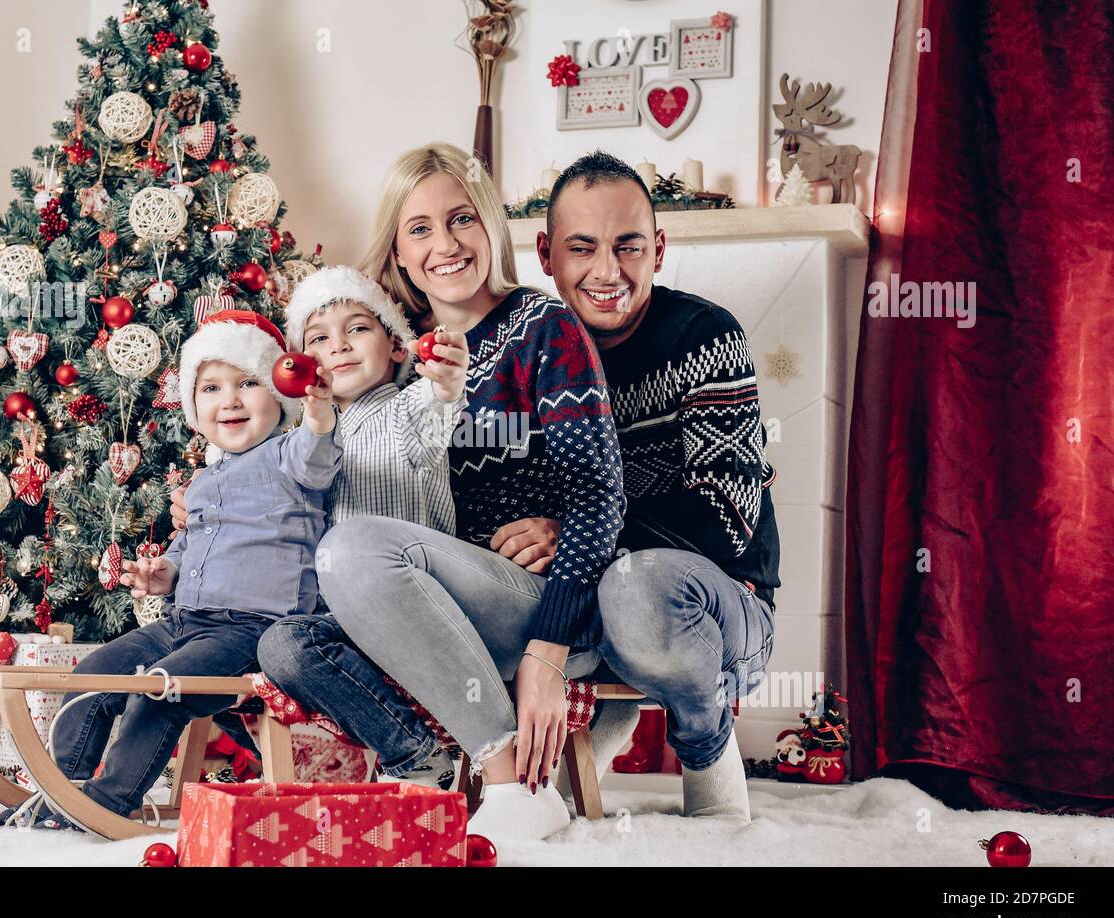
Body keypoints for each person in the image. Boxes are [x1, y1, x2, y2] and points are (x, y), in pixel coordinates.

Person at [309, 142, 628, 843]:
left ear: (489, 224)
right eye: (419, 228)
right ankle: (415, 774)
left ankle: (511, 779)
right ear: (397, 246)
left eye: (461, 220)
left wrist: (549, 650)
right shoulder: (385, 342)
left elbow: (600, 495)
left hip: (533, 607)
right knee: (294, 630)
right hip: (422, 600)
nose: (445, 244)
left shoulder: (542, 327)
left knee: (351, 552)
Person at [534, 151, 782, 822]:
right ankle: (579, 733)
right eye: (581, 248)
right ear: (546, 254)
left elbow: (724, 520)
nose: (607, 271)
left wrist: (577, 529)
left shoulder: (705, 337)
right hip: (590, 602)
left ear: (659, 250)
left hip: (723, 608)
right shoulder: (535, 353)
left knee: (635, 583)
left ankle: (706, 745)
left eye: (628, 246)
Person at [26, 309, 340, 829]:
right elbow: (190, 544)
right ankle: (65, 786)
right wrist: (164, 572)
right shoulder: (204, 478)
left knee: (160, 689)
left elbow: (318, 452)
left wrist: (319, 409)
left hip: (252, 629)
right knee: (93, 674)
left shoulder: (290, 455)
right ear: (195, 407)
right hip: (181, 622)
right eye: (211, 388)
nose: (230, 399)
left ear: (280, 396)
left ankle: (107, 801)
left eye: (248, 382)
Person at [249, 265, 472, 788]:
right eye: (320, 339)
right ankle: (408, 749)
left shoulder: (403, 411)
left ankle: (416, 759)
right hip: (340, 620)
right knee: (275, 644)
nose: (340, 345)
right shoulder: (303, 436)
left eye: (359, 329)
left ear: (397, 347)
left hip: (410, 604)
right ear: (305, 363)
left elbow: (437, 408)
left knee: (284, 645)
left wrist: (447, 380)